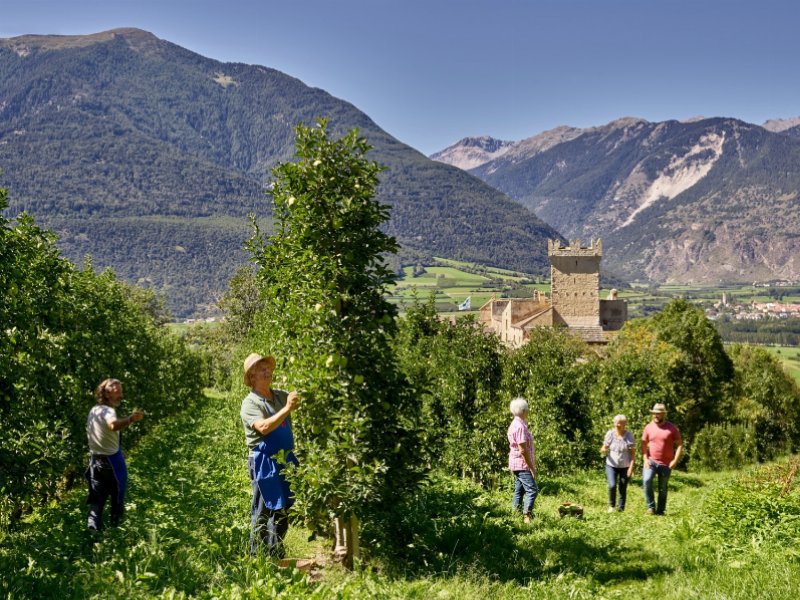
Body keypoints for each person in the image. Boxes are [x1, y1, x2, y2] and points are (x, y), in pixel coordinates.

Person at [240, 353, 301, 557]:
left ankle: (275, 551)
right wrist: (287, 408)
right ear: (252, 376)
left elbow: (298, 397)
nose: (267, 371)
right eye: (261, 369)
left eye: (268, 367)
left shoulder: (279, 396)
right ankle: (256, 557)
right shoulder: (251, 403)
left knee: (284, 508)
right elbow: (264, 427)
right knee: (263, 509)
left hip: (285, 459)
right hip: (263, 460)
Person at [85, 378, 144, 531]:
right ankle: (115, 533)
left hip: (95, 462)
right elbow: (112, 425)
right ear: (106, 393)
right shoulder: (108, 411)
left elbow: (105, 433)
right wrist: (131, 419)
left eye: (121, 392)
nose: (121, 396)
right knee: (118, 498)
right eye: (117, 392)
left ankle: (92, 534)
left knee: (97, 502)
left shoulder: (94, 410)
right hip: (112, 463)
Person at [641, 403, 683, 515]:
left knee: (663, 488)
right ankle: (651, 507)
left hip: (666, 464)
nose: (655, 415)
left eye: (658, 413)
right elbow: (643, 444)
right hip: (651, 461)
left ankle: (660, 510)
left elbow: (679, 445)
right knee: (646, 480)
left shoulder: (671, 428)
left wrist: (675, 460)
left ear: (663, 414)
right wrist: (645, 459)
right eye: (654, 413)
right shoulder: (648, 427)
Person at [507, 397, 538, 523]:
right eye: (527, 409)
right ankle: (527, 516)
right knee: (532, 490)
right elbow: (523, 450)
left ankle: (515, 513)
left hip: (516, 463)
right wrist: (531, 467)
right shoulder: (519, 426)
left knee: (519, 490)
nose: (528, 411)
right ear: (524, 410)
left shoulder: (517, 424)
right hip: (521, 463)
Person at [600, 414, 636, 512]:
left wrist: (631, 468)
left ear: (625, 424)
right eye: (616, 422)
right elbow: (605, 446)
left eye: (620, 423)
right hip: (611, 465)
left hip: (625, 466)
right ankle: (611, 506)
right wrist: (603, 449)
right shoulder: (610, 434)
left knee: (623, 486)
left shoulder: (629, 436)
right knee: (612, 485)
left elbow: (633, 455)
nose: (617, 425)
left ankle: (620, 509)